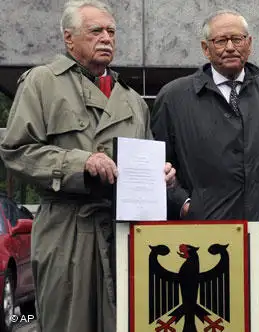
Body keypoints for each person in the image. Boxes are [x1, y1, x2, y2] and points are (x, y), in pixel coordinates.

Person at [0, 1, 176, 331]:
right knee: (69, 323)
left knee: (125, 322)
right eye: (96, 31)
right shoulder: (42, 82)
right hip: (67, 229)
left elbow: (145, 157)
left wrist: (160, 176)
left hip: (122, 232)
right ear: (69, 39)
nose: (106, 38)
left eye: (111, 31)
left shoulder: (134, 101)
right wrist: (81, 163)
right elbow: (16, 151)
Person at [150, 9, 259, 332]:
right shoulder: (174, 97)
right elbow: (157, 166)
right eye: (221, 40)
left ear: (249, 44)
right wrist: (184, 204)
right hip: (205, 236)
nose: (230, 46)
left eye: (237, 38)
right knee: (213, 318)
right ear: (206, 49)